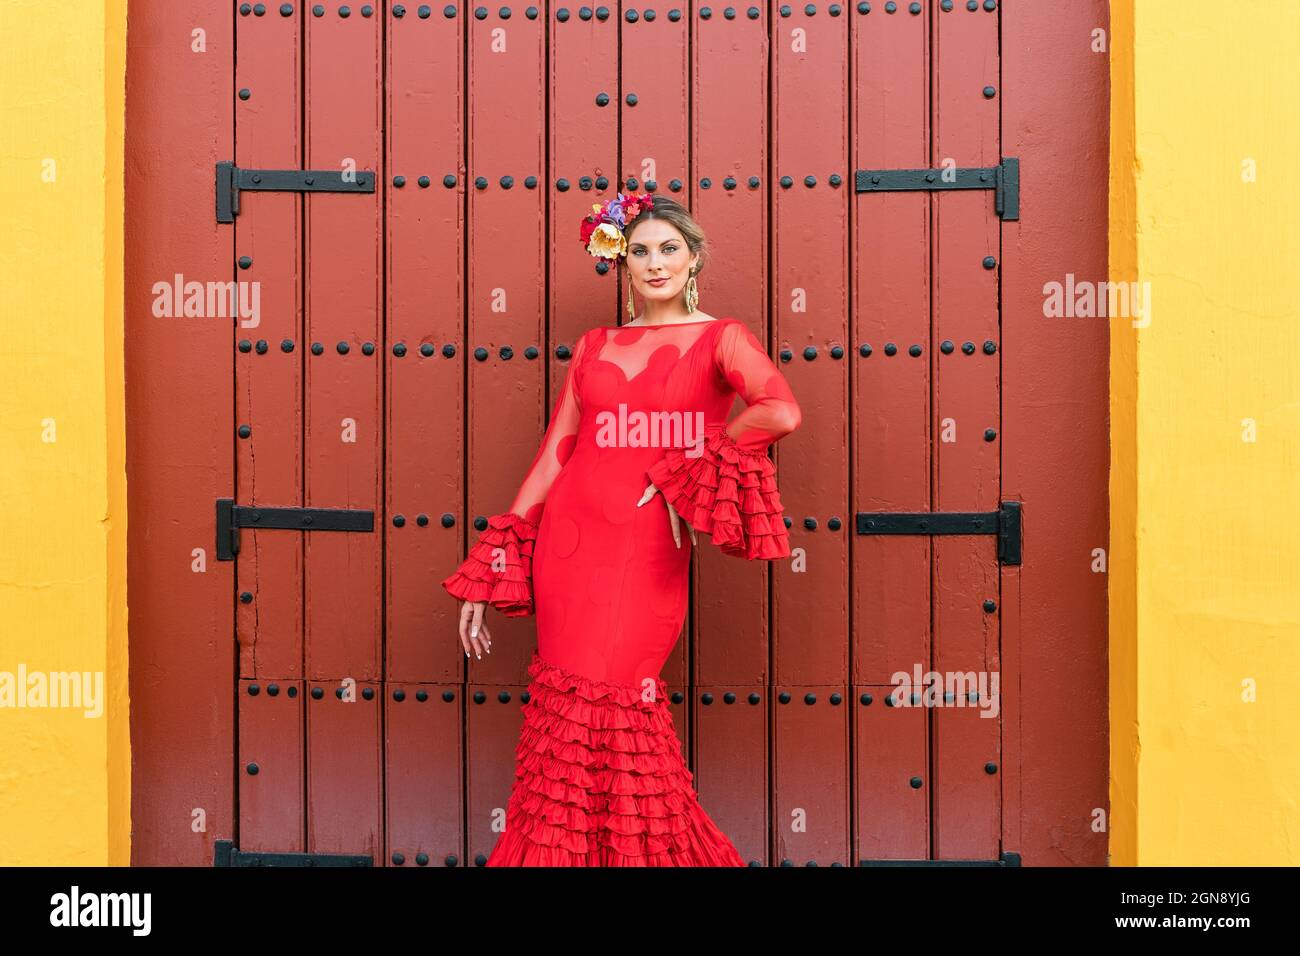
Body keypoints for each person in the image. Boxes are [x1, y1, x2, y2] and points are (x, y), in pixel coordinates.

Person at [441, 192, 802, 865]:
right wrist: (492, 568)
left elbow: (778, 411)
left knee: (619, 712)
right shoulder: (595, 345)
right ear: (622, 263)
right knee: (564, 720)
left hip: (643, 555)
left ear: (694, 258)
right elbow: (555, 453)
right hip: (566, 546)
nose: (655, 262)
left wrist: (690, 469)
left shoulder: (722, 337)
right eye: (640, 250)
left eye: (669, 248)